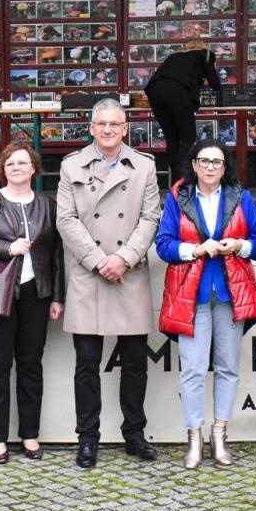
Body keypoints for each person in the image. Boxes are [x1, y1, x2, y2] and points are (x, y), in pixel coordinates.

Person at [55, 98, 164, 468]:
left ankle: (134, 433)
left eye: (114, 124)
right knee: (86, 364)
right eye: (101, 123)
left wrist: (124, 258)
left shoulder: (144, 167)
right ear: (90, 127)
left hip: (128, 274)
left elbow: (151, 217)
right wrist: (100, 260)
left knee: (135, 362)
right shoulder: (71, 166)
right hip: (89, 274)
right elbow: (66, 220)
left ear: (125, 128)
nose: (107, 130)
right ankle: (87, 438)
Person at [154, 137, 256, 469]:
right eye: (204, 161)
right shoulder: (178, 197)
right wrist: (194, 250)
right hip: (191, 294)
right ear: (193, 165)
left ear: (225, 167)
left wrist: (239, 244)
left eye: (216, 162)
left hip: (232, 293)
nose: (210, 168)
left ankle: (220, 435)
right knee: (192, 369)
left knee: (228, 367)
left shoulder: (240, 196)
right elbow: (163, 245)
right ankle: (194, 437)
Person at [0, 141, 65, 463]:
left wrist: (58, 296)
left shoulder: (47, 205)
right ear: (2, 170)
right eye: (10, 164)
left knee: (31, 366)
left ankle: (30, 435)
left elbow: (57, 254)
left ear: (34, 168)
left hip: (37, 293)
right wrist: (6, 248)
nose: (17, 168)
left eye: (23, 163)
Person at [145, 40, 222, 182]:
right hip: (176, 92)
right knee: (188, 138)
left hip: (154, 90)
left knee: (172, 139)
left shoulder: (175, 56)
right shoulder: (205, 54)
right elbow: (214, 82)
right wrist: (217, 88)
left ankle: (176, 181)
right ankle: (182, 180)